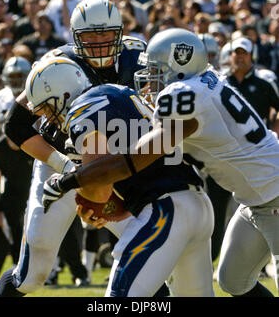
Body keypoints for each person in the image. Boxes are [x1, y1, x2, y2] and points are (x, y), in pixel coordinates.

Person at [43, 28, 279, 297]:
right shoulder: (207, 81)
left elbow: (129, 163)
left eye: (155, 70)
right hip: (254, 199)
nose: (148, 80)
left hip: (274, 193)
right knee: (233, 281)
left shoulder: (182, 94)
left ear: (179, 66)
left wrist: (68, 180)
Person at [0, 0, 147, 297]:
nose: (99, 42)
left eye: (106, 34)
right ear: (75, 36)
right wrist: (65, 167)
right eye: (90, 35)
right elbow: (15, 125)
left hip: (115, 168)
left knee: (147, 249)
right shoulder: (57, 65)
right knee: (33, 272)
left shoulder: (137, 60)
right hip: (60, 163)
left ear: (119, 31)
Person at [27, 56, 214, 297]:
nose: (49, 119)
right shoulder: (119, 92)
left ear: (63, 95)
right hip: (197, 203)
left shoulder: (82, 109)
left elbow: (100, 186)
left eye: (48, 108)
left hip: (165, 210)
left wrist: (87, 200)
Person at [0, 134, 34, 287]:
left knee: (32, 238)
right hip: (10, 198)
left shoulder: (33, 143)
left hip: (35, 196)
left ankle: (78, 275)